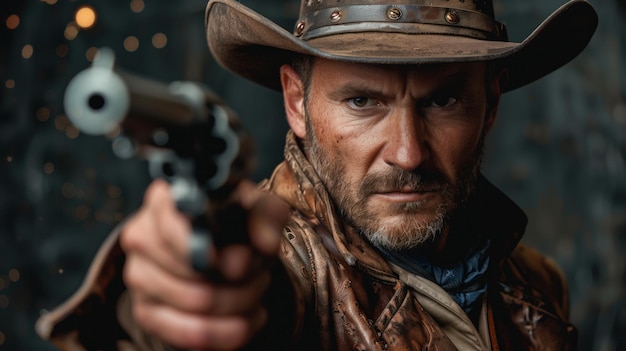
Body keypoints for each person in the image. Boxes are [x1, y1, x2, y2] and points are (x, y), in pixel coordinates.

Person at [36, 0, 598, 350]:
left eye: (443, 100)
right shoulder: (283, 272)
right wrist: (177, 298)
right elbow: (258, 304)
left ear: (491, 104)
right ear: (296, 100)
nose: (407, 153)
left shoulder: (533, 282)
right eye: (361, 101)